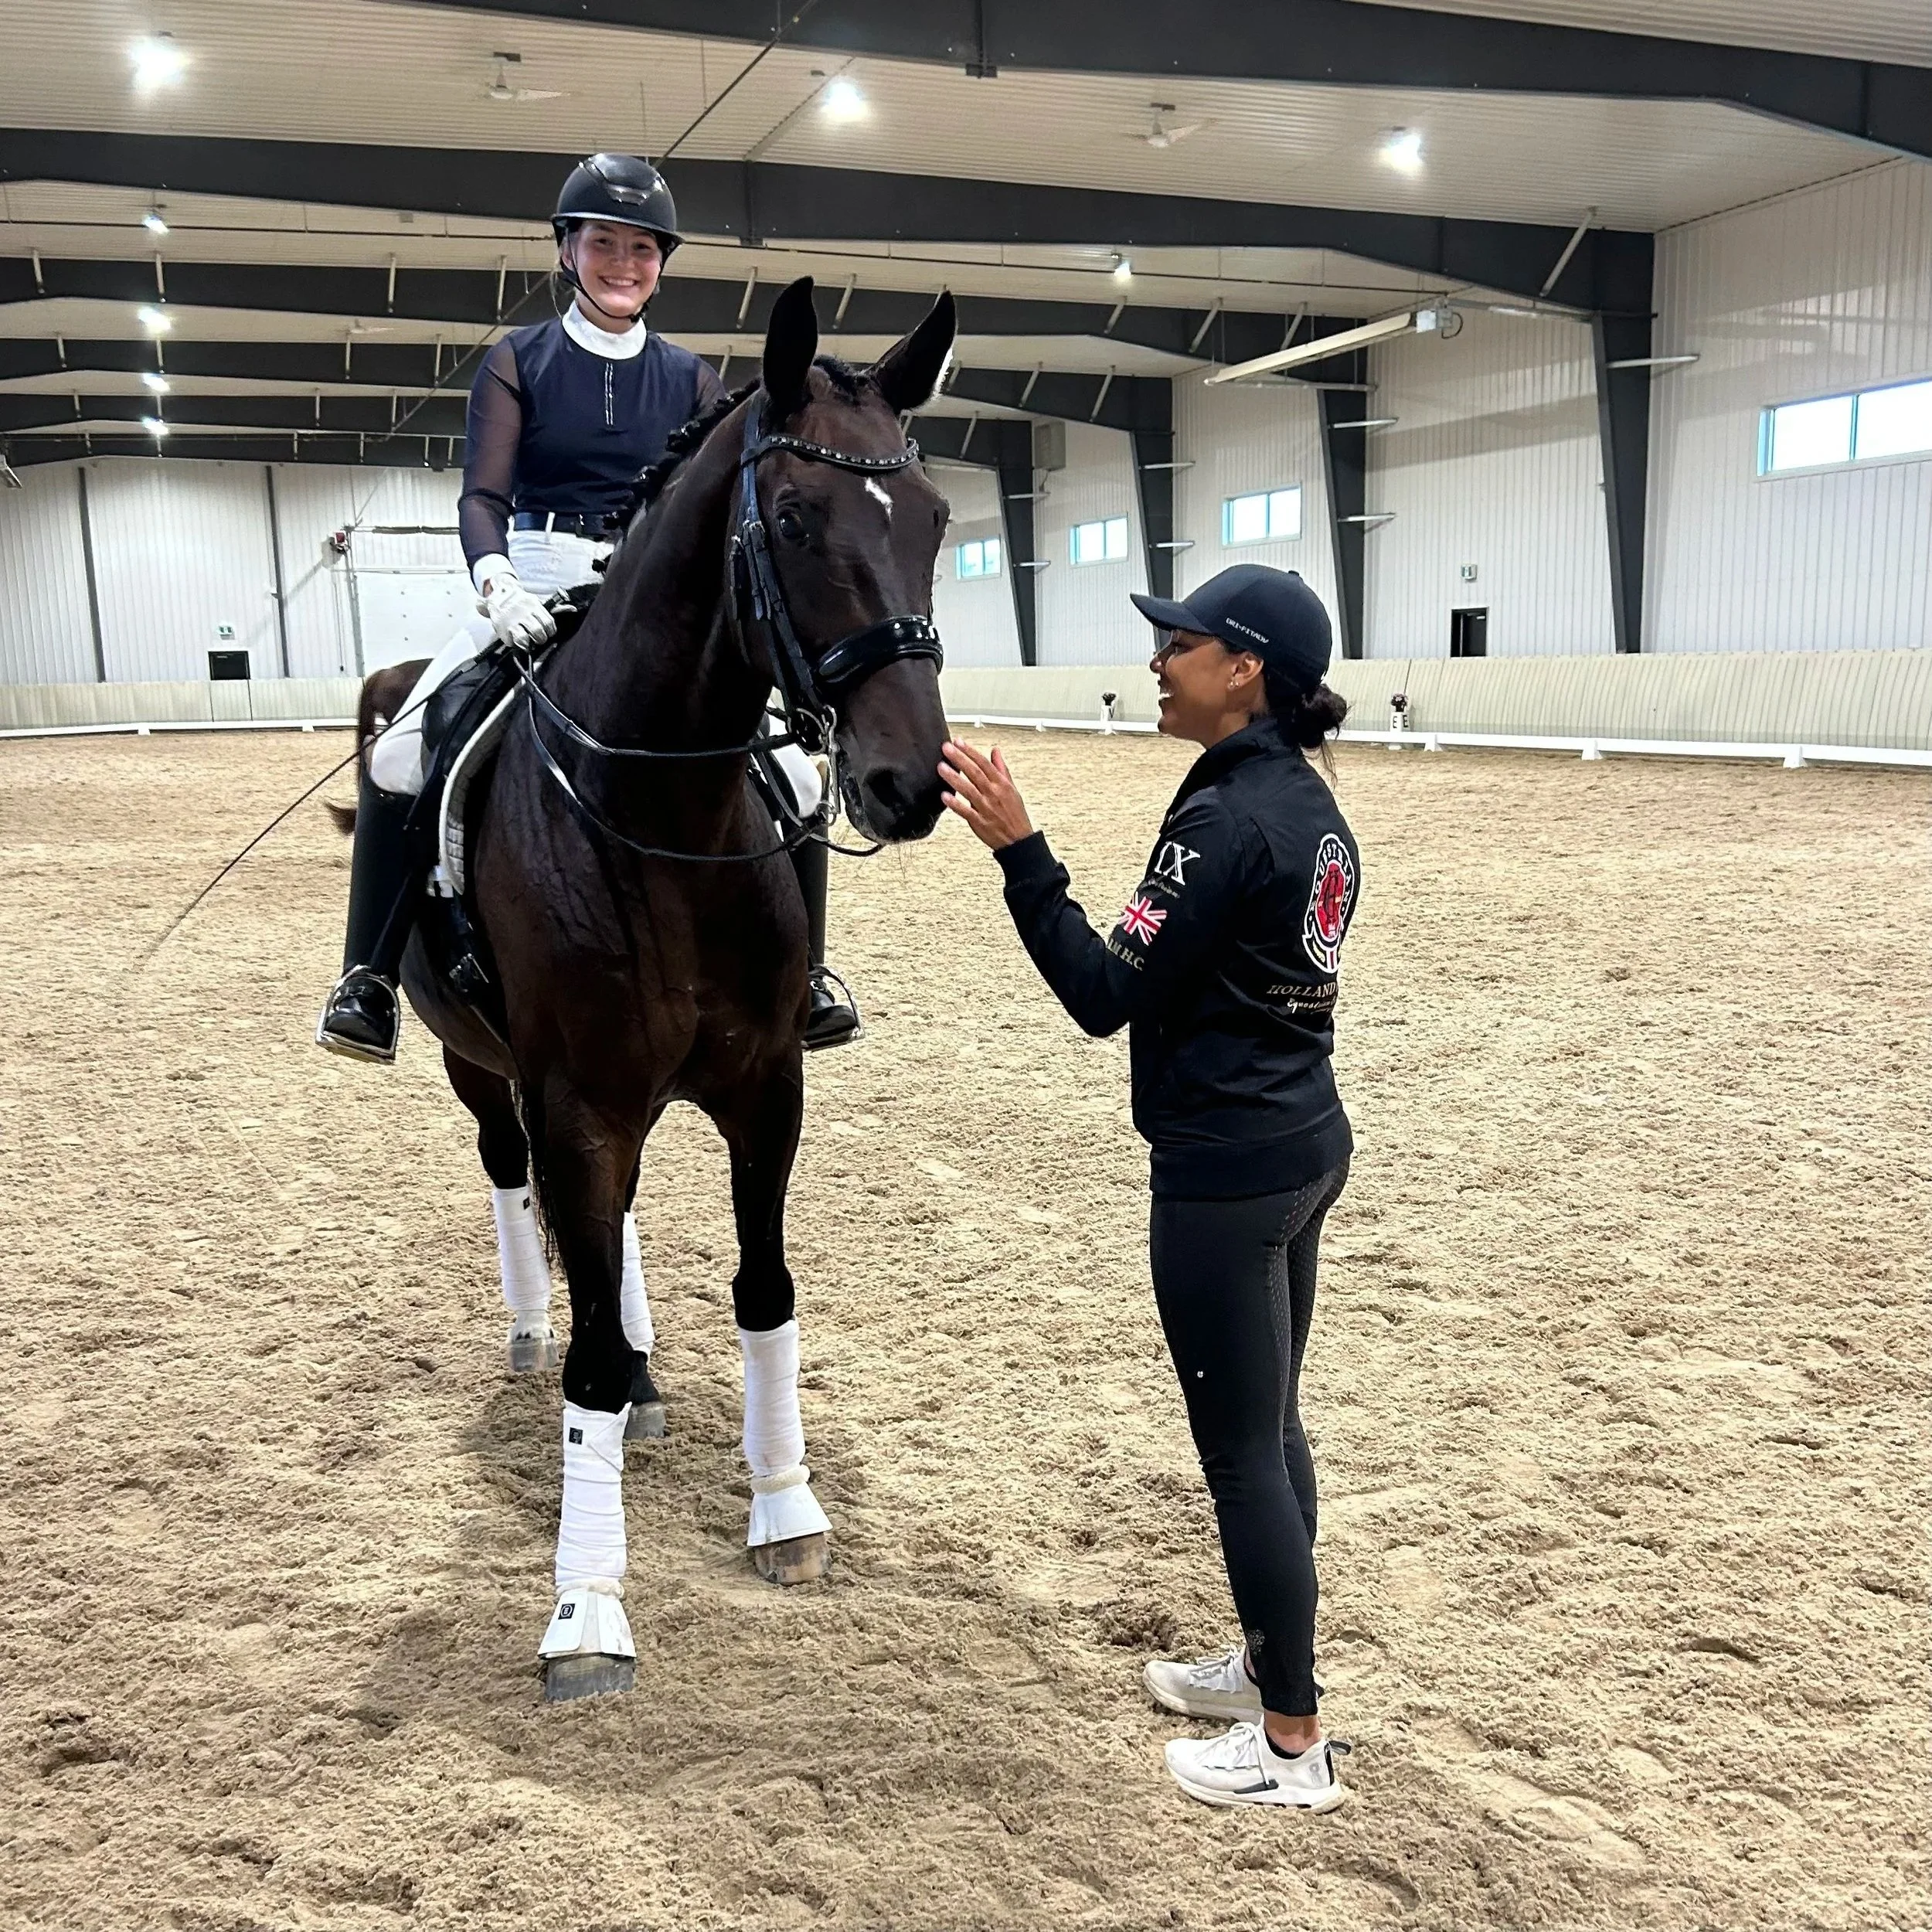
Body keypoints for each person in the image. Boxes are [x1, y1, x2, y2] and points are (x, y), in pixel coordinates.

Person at [939, 564, 1362, 1810]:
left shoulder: (1223, 820)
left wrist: (1024, 853)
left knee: (1241, 1454)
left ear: (1247, 670)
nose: (1163, 660)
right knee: (1274, 1429)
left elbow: (1100, 992)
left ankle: (1292, 1742)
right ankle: (1267, 1666)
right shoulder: (1305, 801)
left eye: (1183, 643)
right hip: (1303, 1142)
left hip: (1225, 1173)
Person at [316, 152, 861, 1063]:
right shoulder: (516, 360)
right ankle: (367, 979)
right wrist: (496, 580)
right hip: (528, 569)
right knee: (406, 746)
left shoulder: (690, 377)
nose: (623, 262)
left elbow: (711, 503)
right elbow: (481, 496)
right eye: (602, 242)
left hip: (650, 595)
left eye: (641, 248)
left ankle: (805, 977)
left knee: (799, 777)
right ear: (567, 250)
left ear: (660, 263)